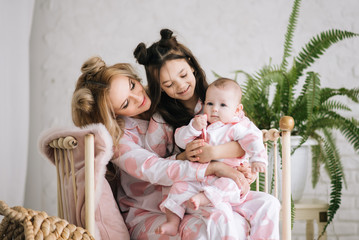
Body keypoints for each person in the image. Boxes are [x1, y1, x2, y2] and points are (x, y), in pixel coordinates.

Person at [72, 56, 255, 239]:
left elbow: (228, 132)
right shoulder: (118, 140)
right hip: (149, 212)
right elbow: (156, 170)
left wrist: (238, 165)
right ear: (113, 113)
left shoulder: (167, 98)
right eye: (125, 103)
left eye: (132, 85)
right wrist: (213, 167)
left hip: (192, 198)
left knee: (253, 212)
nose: (138, 97)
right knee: (202, 232)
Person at [135, 28, 281, 239]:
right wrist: (184, 156)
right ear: (160, 88)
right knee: (220, 216)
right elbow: (156, 166)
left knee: (270, 203)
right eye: (168, 84)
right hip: (194, 189)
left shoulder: (218, 98)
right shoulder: (161, 120)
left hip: (228, 185)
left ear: (192, 66)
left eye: (183, 75)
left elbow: (245, 138)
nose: (181, 85)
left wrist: (243, 165)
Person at [153, 77, 268, 236]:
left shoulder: (237, 126)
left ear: (236, 110)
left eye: (222, 105)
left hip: (228, 176)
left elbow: (254, 139)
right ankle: (172, 222)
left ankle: (205, 198)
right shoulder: (201, 123)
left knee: (229, 185)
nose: (214, 109)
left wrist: (258, 159)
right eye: (210, 104)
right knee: (178, 187)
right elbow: (180, 139)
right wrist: (193, 128)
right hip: (200, 177)